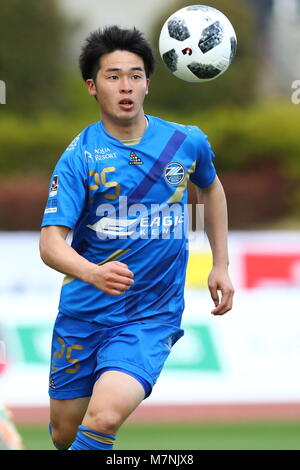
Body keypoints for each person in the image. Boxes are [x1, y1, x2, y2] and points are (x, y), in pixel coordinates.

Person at [39, 25, 234, 451]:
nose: (125, 86)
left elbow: (211, 188)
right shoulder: (79, 158)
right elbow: (50, 244)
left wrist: (220, 262)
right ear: (92, 87)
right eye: (112, 77)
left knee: (104, 417)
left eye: (135, 75)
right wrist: (92, 273)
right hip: (84, 313)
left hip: (150, 316)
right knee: (64, 433)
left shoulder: (186, 142)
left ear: (148, 82)